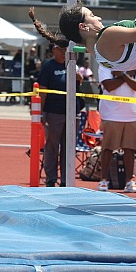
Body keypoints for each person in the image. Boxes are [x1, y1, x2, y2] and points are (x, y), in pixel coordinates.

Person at [37, 43, 83, 187]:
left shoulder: (72, 65)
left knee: (68, 147)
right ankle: (51, 179)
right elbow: (42, 91)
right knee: (52, 147)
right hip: (54, 112)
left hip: (71, 112)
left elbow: (79, 86)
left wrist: (79, 78)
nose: (63, 52)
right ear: (53, 50)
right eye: (60, 49)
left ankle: (66, 179)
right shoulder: (48, 67)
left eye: (65, 49)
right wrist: (41, 113)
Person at [97, 67, 136, 193]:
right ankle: (103, 180)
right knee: (107, 147)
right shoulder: (106, 63)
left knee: (129, 148)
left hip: (132, 114)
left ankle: (129, 181)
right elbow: (108, 85)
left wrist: (122, 75)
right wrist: (128, 76)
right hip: (110, 113)